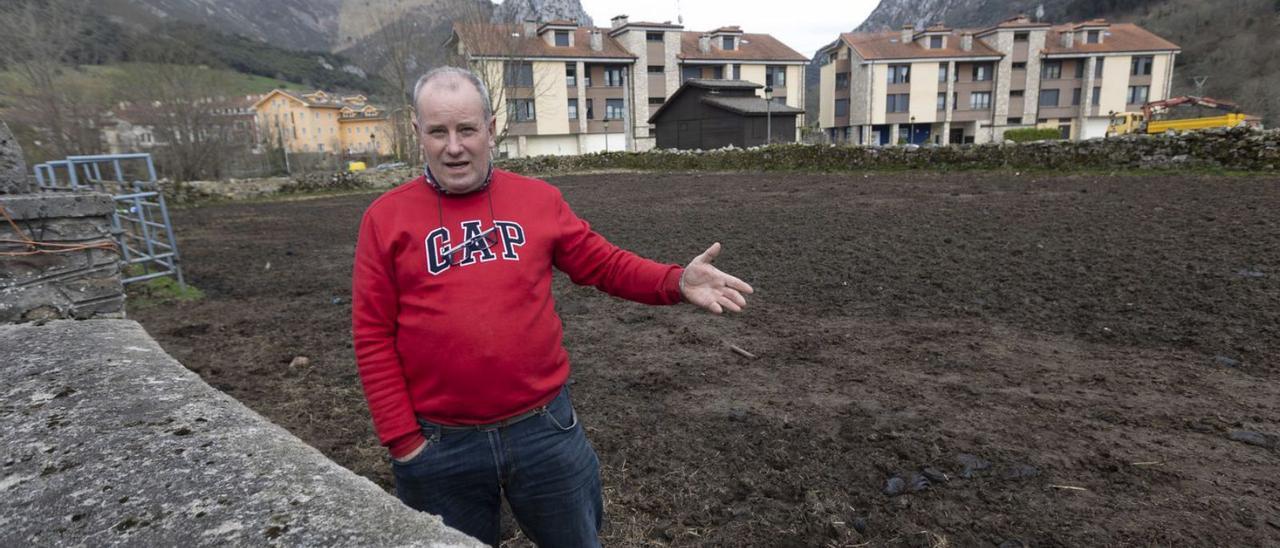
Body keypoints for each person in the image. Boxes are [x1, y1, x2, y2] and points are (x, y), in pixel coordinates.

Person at [351, 66, 753, 547]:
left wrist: (675, 281)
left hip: (544, 431)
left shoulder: (538, 200)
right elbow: (372, 335)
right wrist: (405, 444)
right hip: (441, 446)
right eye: (438, 132)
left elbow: (604, 265)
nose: (453, 146)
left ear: (491, 129)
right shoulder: (385, 219)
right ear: (418, 133)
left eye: (467, 129)